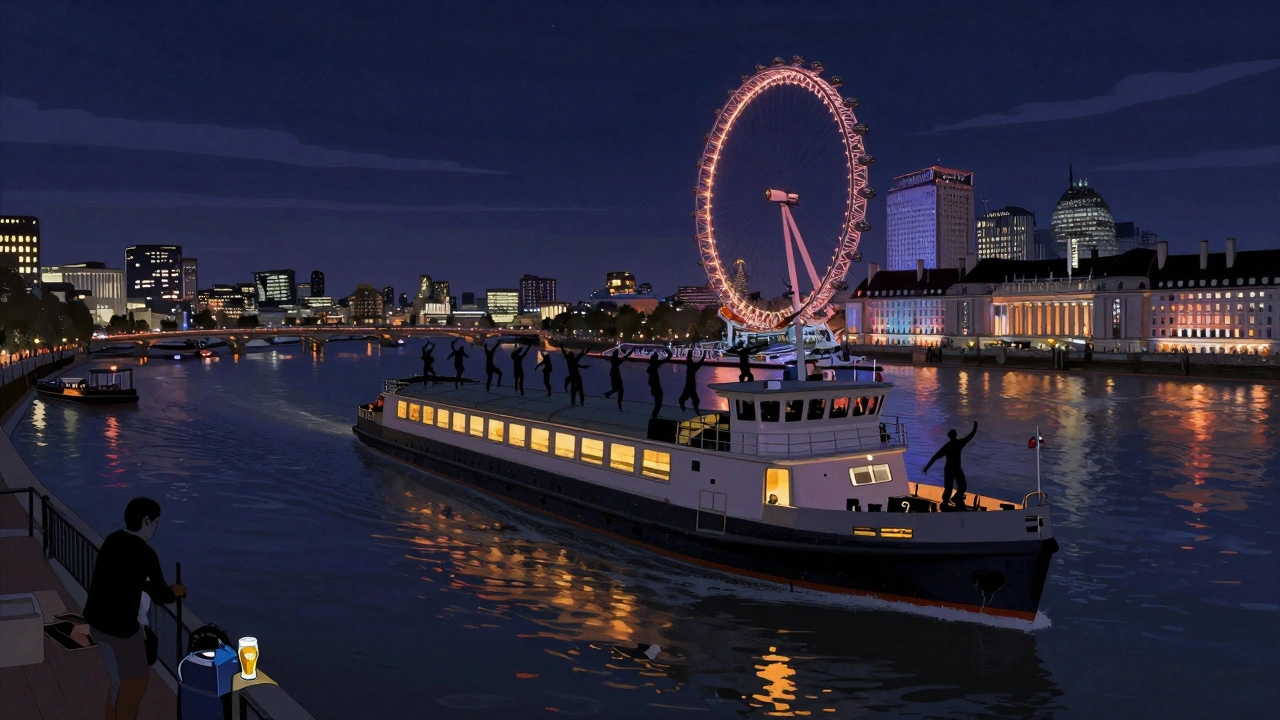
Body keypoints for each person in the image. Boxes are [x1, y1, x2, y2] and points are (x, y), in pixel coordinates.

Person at [83, 497, 186, 720]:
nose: (156, 527)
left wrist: (144, 584)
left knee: (117, 680)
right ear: (146, 521)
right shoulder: (146, 553)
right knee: (136, 681)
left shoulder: (113, 539)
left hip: (97, 623)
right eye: (156, 522)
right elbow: (163, 594)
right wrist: (176, 591)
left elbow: (124, 576)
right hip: (122, 631)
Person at [922, 421, 978, 509]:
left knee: (959, 486)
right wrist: (975, 427)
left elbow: (935, 457)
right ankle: (947, 502)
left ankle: (954, 499)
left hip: (952, 468)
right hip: (951, 469)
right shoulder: (957, 444)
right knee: (956, 487)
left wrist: (926, 467)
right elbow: (969, 437)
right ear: (955, 435)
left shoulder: (951, 445)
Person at [678, 349, 707, 414]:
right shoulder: (692, 368)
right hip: (690, 386)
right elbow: (699, 363)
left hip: (689, 386)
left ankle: (686, 408)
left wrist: (690, 353)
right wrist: (703, 357)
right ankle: (694, 409)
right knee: (694, 400)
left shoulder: (690, 368)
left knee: (684, 399)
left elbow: (694, 362)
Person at [646, 348, 672, 418]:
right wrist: (667, 350)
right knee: (659, 401)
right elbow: (669, 357)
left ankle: (655, 413)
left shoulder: (651, 365)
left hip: (654, 385)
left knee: (658, 401)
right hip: (656, 386)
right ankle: (654, 414)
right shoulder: (655, 364)